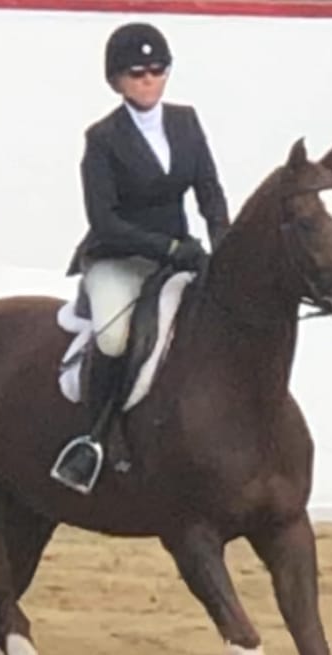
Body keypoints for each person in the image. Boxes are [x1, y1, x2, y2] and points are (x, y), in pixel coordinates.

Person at [50, 21, 231, 495]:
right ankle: (93, 440)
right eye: (137, 73)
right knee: (113, 339)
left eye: (157, 70)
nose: (149, 80)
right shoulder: (103, 138)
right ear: (117, 81)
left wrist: (222, 241)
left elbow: (209, 191)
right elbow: (104, 219)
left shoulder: (186, 122)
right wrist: (170, 248)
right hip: (119, 258)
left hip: (178, 256)